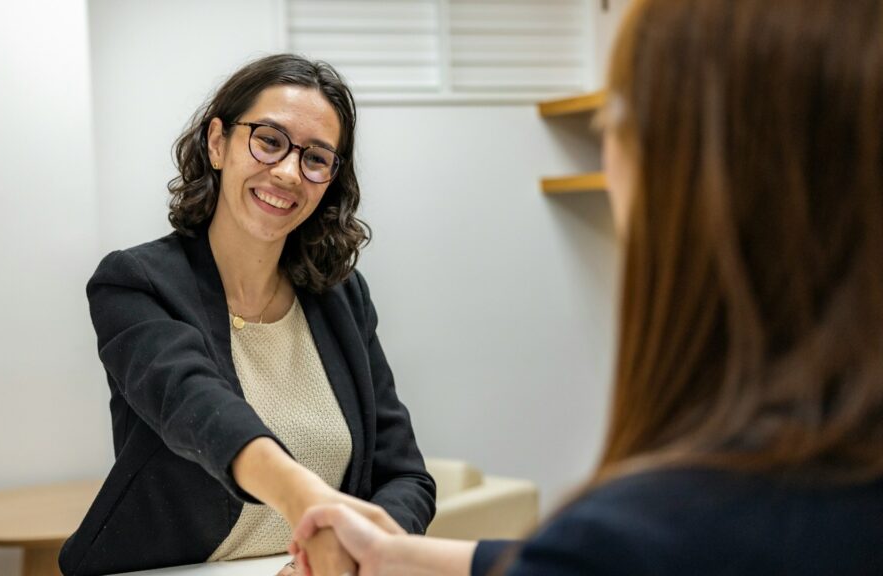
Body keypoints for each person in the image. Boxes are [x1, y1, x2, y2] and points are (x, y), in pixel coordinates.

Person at [289, 0, 883, 574]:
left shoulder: (648, 529)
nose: (289, 171)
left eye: (614, 125)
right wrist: (395, 556)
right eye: (268, 141)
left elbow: (416, 475)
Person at [58, 54, 435, 576]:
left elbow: (406, 478)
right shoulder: (136, 282)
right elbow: (198, 408)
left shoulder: (342, 298)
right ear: (218, 143)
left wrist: (358, 552)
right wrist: (305, 499)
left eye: (316, 158)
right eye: (269, 141)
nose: (288, 173)